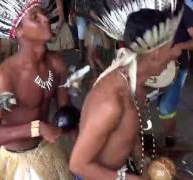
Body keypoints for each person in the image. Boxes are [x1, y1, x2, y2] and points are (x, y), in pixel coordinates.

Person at [69, 2, 190, 180]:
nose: (175, 54)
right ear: (154, 53)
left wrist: (144, 162)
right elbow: (78, 165)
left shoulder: (135, 84)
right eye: (170, 47)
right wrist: (127, 178)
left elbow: (130, 132)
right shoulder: (110, 102)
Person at [0, 0, 75, 179]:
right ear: (19, 31)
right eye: (35, 17)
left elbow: (66, 112)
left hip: (47, 152)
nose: (46, 18)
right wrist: (38, 128)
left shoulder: (56, 64)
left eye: (43, 13)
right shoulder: (7, 77)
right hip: (20, 164)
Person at [157, 4, 193, 147]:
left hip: (176, 68)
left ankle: (170, 141)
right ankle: (168, 134)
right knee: (159, 104)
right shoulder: (153, 7)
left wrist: (179, 47)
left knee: (166, 107)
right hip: (156, 66)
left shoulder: (184, 10)